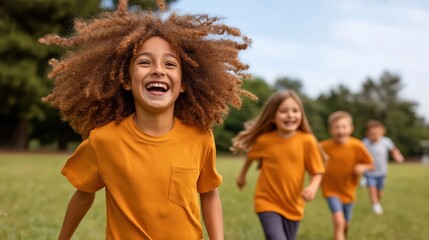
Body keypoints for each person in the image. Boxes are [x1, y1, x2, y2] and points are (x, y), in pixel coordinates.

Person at [39, 0, 256, 239]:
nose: (158, 70)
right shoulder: (104, 140)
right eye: (144, 62)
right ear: (125, 80)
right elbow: (83, 194)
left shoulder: (200, 136)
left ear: (184, 83)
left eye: (170, 64)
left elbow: (209, 193)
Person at [231, 90, 326, 240]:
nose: (290, 115)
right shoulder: (265, 141)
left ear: (301, 115)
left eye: (295, 111)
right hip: (266, 201)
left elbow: (317, 171)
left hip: (294, 204)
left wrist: (312, 187)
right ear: (273, 117)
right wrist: (242, 175)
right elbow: (251, 156)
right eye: (283, 111)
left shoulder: (307, 141)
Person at [320, 111, 374, 240]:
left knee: (345, 224)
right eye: (336, 127)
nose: (340, 130)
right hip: (330, 190)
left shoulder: (357, 145)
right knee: (339, 221)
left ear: (351, 128)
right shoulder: (323, 146)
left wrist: (362, 166)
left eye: (344, 127)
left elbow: (372, 165)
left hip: (349, 191)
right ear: (330, 130)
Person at [363, 119, 404, 215]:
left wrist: (398, 156)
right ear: (367, 134)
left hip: (382, 172)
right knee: (372, 189)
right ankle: (375, 205)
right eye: (372, 133)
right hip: (370, 172)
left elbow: (394, 150)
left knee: (379, 192)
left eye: (377, 133)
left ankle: (377, 202)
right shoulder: (365, 143)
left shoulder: (386, 141)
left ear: (382, 132)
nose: (375, 135)